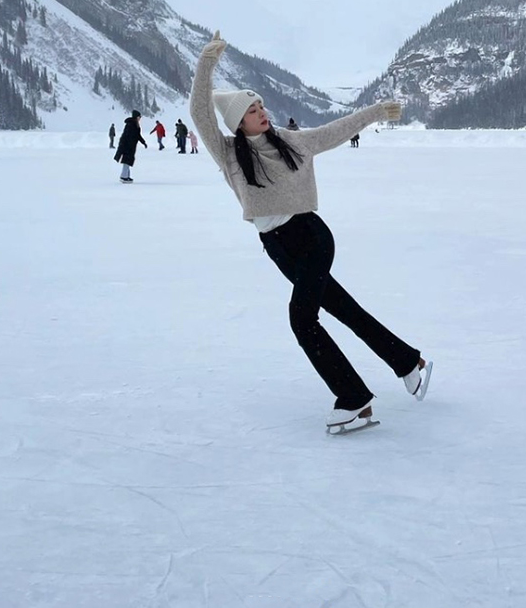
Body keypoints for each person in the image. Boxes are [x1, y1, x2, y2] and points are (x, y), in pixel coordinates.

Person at [189, 31, 431, 433]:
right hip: (278, 246)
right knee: (343, 309)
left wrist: (373, 112)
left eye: (261, 105)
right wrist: (206, 63)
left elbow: (335, 131)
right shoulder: (229, 153)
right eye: (252, 110)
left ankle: (354, 398)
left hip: (311, 236)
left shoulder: (291, 142)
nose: (261, 111)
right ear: (237, 122)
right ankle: (408, 362)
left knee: (302, 320)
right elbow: (200, 111)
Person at [114, 110, 146, 182]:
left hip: (130, 146)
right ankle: (124, 176)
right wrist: (128, 144)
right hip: (127, 146)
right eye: (139, 117)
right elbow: (127, 136)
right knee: (126, 160)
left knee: (128, 161)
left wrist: (143, 142)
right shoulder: (131, 125)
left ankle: (126, 175)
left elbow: (138, 136)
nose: (140, 118)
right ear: (136, 117)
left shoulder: (135, 125)